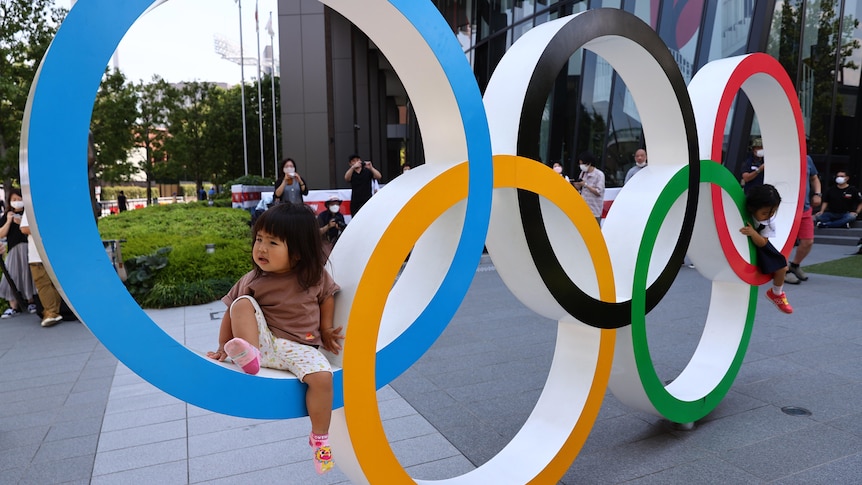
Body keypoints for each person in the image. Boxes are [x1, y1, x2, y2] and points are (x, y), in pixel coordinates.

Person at [206, 203, 343, 475]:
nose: (261, 248)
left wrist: (326, 329)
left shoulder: (313, 276)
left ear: (298, 253)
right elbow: (231, 310)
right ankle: (247, 354)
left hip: (300, 348)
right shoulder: (253, 278)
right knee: (242, 302)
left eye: (272, 242)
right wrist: (222, 346)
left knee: (323, 378)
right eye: (258, 239)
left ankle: (320, 438)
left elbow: (327, 298)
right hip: (264, 344)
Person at [739, 184, 793, 314]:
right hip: (739, 246)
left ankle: (776, 293)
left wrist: (753, 233)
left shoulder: (768, 223)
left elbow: (763, 242)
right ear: (752, 208)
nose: (768, 216)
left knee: (782, 267)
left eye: (772, 212)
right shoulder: (742, 211)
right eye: (764, 213)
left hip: (760, 245)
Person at [19, 212, 64, 327]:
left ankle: (52, 311)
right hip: (37, 254)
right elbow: (24, 228)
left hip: (49, 253)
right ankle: (52, 311)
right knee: (45, 283)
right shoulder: (31, 208)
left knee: (48, 284)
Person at [785, 154, 822, 284]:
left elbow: (814, 178)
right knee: (786, 241)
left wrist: (817, 193)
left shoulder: (807, 159)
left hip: (804, 208)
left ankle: (794, 265)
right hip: (785, 207)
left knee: (808, 241)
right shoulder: (781, 156)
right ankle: (784, 271)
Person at [0, 190, 36, 317]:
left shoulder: (28, 214)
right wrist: (9, 221)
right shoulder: (7, 215)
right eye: (13, 200)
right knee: (11, 276)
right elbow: (1, 233)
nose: (16, 202)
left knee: (28, 275)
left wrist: (21, 222)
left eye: (18, 199)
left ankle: (31, 301)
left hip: (27, 248)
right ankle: (13, 306)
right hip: (13, 250)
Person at [571, 151, 605, 225]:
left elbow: (598, 191)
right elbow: (580, 188)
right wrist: (576, 184)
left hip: (594, 211)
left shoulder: (599, 175)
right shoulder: (583, 173)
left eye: (582, 164)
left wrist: (585, 185)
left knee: (594, 232)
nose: (581, 166)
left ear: (588, 163)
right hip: (583, 209)